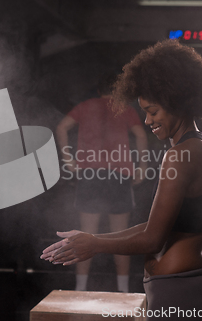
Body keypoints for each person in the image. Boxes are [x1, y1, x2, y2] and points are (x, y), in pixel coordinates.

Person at [41, 39, 202, 320]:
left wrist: (94, 245)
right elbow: (152, 226)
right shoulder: (188, 148)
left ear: (177, 103)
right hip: (177, 288)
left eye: (152, 111)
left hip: (182, 291)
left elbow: (152, 240)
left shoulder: (184, 153)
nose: (147, 121)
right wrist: (91, 238)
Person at [55, 73, 148, 292]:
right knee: (122, 237)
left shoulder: (86, 105)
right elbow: (141, 136)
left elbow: (61, 127)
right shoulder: (125, 108)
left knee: (84, 236)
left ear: (99, 91)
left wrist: (68, 160)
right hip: (119, 175)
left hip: (90, 175)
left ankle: (80, 289)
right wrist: (142, 167)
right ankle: (124, 290)